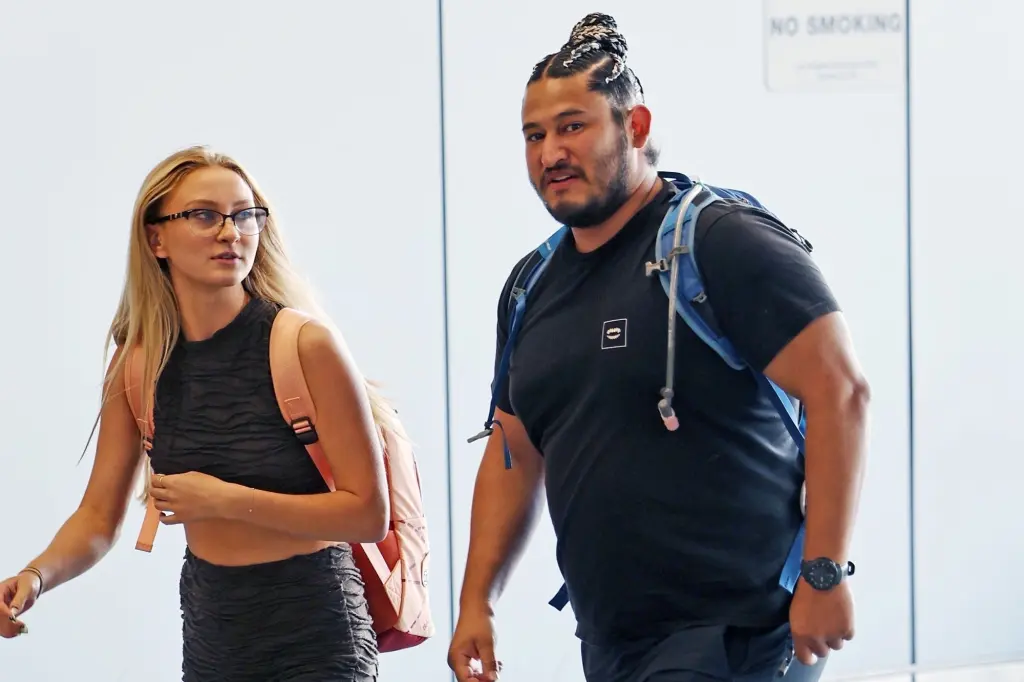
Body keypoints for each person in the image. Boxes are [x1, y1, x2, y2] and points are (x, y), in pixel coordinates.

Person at [448, 13, 870, 682]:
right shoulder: (532, 286)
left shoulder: (720, 242)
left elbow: (840, 390)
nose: (551, 151)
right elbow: (513, 453)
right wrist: (478, 602)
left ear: (635, 128)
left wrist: (823, 572)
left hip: (737, 631)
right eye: (535, 134)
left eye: (573, 126)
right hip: (613, 639)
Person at [0, 146, 396, 681]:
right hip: (213, 623)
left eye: (245, 214)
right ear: (155, 238)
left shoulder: (304, 344)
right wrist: (36, 576)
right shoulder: (138, 361)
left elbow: (367, 514)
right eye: (205, 215)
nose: (231, 232)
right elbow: (98, 518)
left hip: (316, 625)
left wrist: (223, 500)